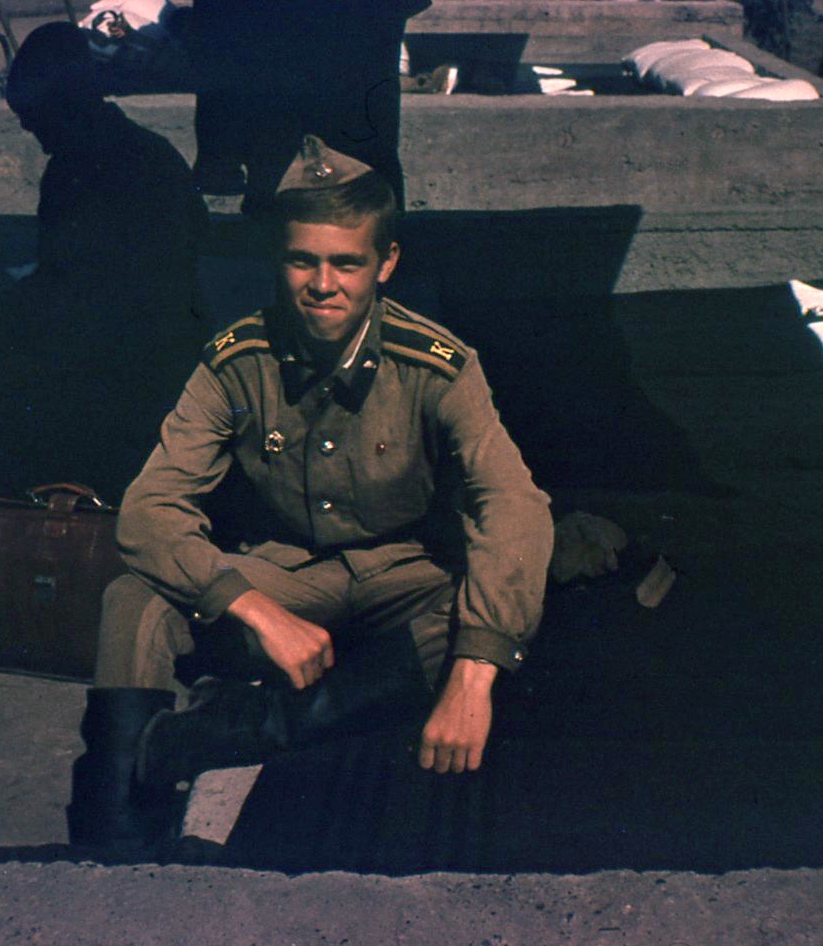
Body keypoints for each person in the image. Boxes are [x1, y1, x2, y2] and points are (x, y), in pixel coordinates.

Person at [68, 136, 554, 853]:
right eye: (303, 260)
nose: (322, 284)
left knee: (492, 617)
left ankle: (216, 735)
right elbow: (149, 510)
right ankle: (113, 825)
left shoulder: (439, 366)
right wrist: (256, 609)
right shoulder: (237, 361)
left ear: (386, 263)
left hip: (403, 577)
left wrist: (473, 679)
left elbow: (512, 504)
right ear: (278, 257)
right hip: (286, 574)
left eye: (346, 263)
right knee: (134, 600)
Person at [4, 21, 211, 489]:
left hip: (132, 357)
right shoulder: (147, 151)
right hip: (158, 338)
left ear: (64, 104)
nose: (26, 125)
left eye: (31, 114)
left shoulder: (80, 172)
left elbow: (78, 287)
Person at [186, 0, 430, 210]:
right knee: (362, 189)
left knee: (283, 185)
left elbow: (217, 11)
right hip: (346, 50)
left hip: (277, 60)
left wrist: (216, 146)